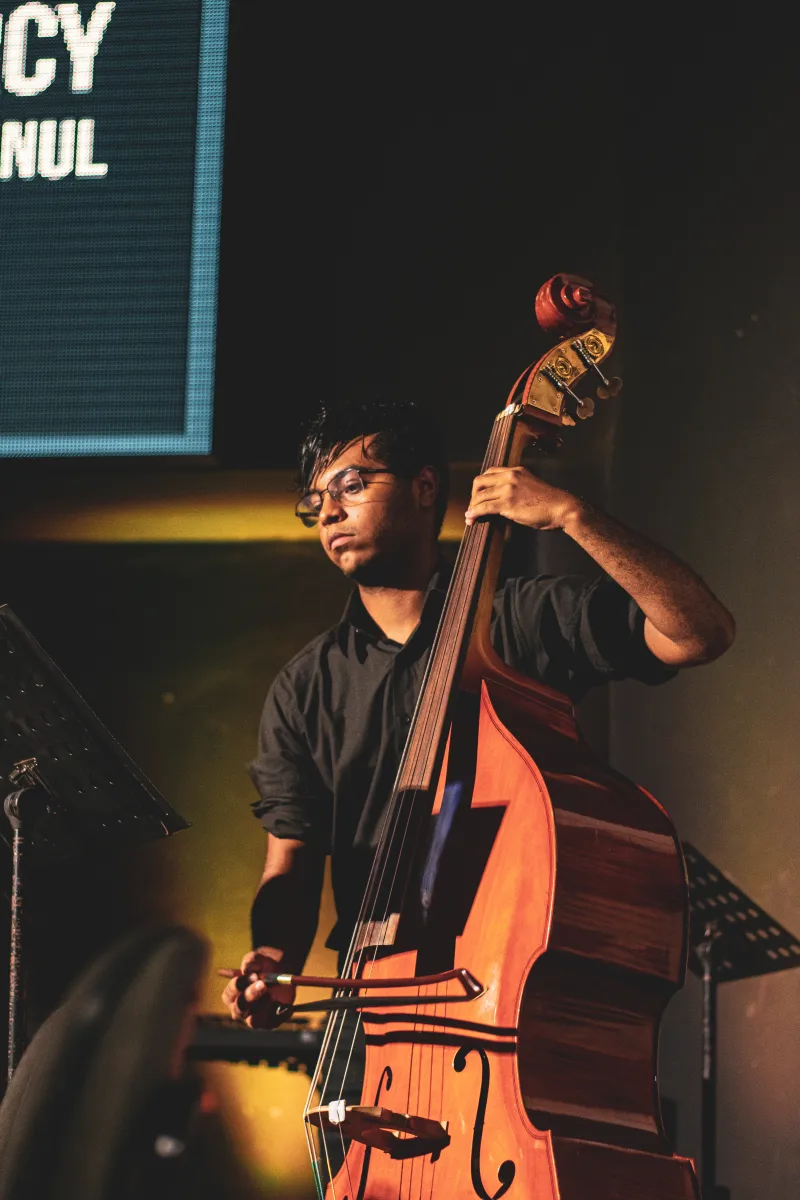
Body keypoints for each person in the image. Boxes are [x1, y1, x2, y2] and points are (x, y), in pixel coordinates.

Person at [222, 398, 735, 1028]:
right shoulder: (304, 687)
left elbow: (699, 634)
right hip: (374, 1008)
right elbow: (292, 861)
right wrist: (274, 962)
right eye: (316, 499)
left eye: (351, 485)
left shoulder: (521, 620)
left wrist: (574, 517)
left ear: (425, 487)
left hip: (507, 998)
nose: (328, 511)